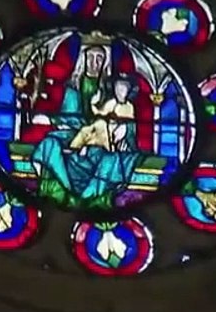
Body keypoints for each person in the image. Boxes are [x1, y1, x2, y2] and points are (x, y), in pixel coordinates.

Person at [29, 43, 142, 210]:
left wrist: (125, 130)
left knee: (112, 158)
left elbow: (125, 119)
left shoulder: (110, 91)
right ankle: (61, 193)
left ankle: (93, 200)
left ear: (105, 62)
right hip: (74, 134)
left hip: (103, 138)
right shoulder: (72, 89)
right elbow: (68, 118)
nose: (94, 63)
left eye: (99, 58)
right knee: (49, 144)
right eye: (90, 57)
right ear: (83, 59)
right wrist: (51, 120)